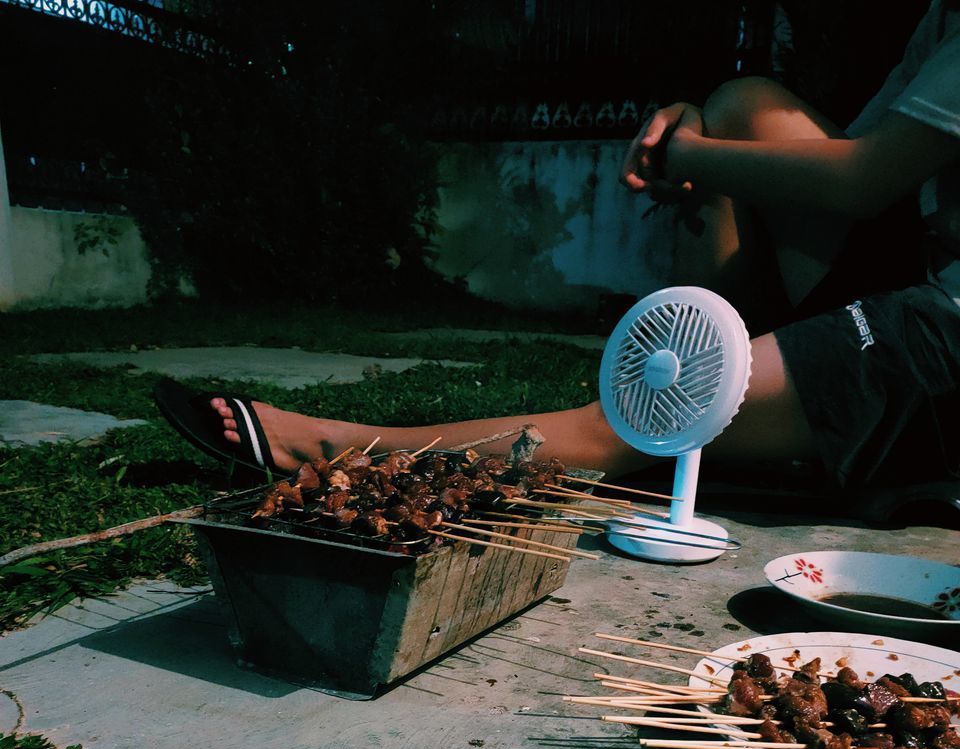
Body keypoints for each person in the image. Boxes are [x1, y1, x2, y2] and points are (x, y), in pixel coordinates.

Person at [155, 0, 960, 508]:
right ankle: (749, 407)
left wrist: (684, 157)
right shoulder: (940, 21)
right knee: (739, 106)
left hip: (944, 342)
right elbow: (852, 163)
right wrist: (696, 130)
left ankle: (338, 446)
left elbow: (861, 180)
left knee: (635, 419)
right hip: (913, 281)